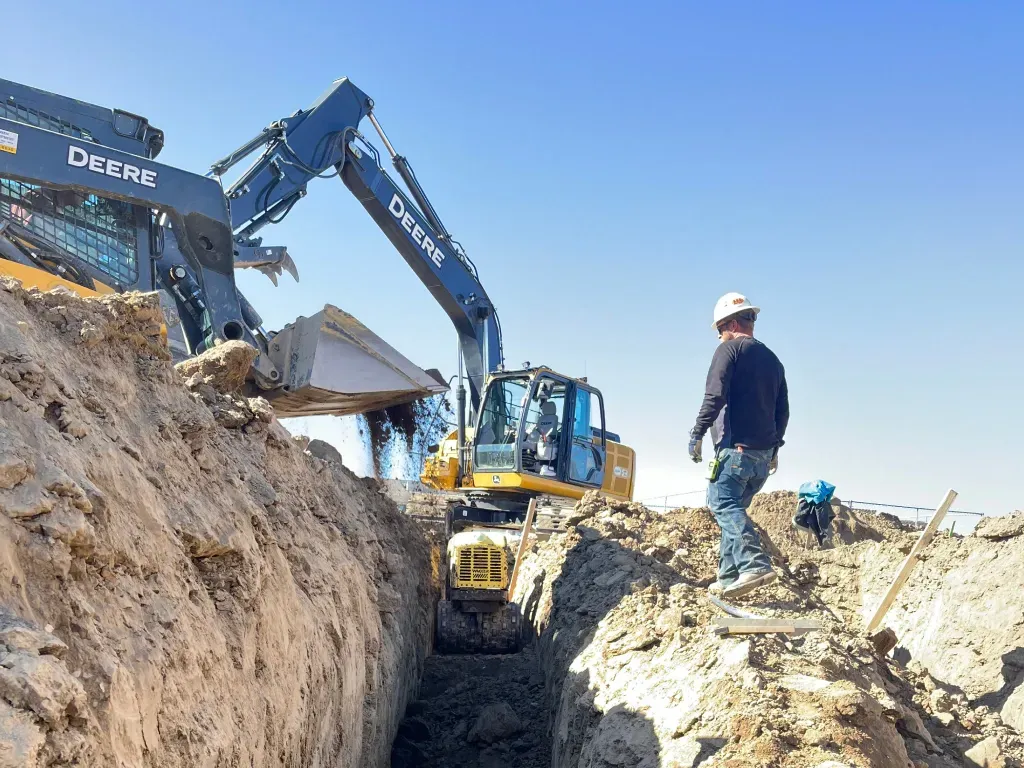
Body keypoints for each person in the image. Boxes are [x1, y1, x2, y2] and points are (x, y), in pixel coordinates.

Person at [688, 293, 789, 599]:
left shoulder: (729, 350)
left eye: (720, 330)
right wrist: (775, 449)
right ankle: (728, 575)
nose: (719, 337)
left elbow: (714, 395)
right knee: (734, 508)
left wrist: (697, 432)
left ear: (730, 324)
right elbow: (782, 411)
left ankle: (754, 563)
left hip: (736, 450)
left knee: (721, 502)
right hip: (761, 457)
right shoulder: (773, 360)